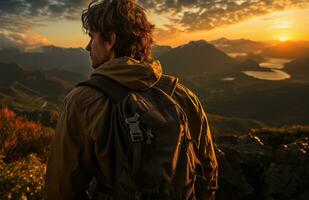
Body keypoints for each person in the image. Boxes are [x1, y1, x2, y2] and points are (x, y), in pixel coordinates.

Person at [45, 0, 218, 199]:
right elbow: (208, 171)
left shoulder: (83, 101)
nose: (87, 47)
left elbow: (60, 189)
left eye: (92, 37)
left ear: (110, 40)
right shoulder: (183, 96)